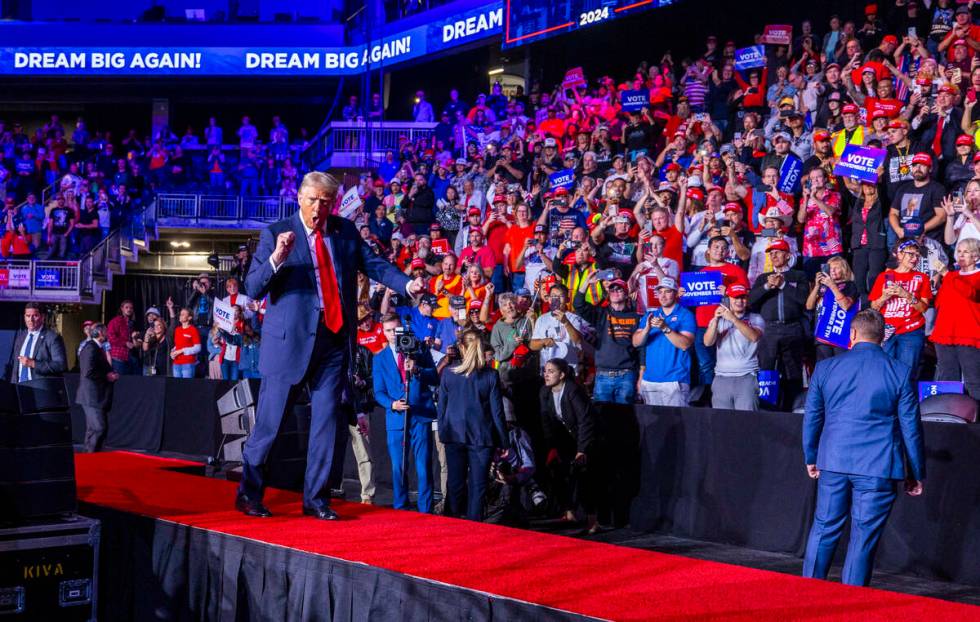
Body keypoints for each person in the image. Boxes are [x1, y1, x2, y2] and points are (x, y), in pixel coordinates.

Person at [236, 172, 423, 520]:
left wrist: (407, 284)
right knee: (270, 426)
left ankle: (317, 499)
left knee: (326, 423)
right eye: (313, 200)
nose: (318, 207)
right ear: (300, 197)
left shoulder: (344, 231)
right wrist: (278, 257)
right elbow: (252, 287)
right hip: (288, 346)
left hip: (334, 341)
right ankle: (249, 494)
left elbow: (376, 265)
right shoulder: (275, 233)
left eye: (326, 201)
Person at [802, 309, 925, 587]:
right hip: (878, 466)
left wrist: (811, 456)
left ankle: (806, 594)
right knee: (863, 536)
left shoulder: (826, 368)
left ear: (853, 334)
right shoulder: (900, 372)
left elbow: (812, 417)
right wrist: (915, 471)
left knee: (824, 528)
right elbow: (911, 428)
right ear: (882, 337)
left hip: (833, 460)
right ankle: (851, 604)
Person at [437, 329, 508, 521]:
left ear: (461, 347)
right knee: (478, 487)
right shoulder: (490, 375)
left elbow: (441, 409)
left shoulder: (448, 374)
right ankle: (474, 529)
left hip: (454, 435)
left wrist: (443, 433)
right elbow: (497, 413)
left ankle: (450, 524)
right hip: (480, 438)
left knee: (455, 484)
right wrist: (504, 443)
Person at [372, 313, 438, 513]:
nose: (393, 334)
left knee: (423, 466)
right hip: (396, 419)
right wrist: (392, 404)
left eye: (396, 329)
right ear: (383, 332)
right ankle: (400, 508)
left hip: (420, 415)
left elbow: (434, 377)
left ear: (403, 328)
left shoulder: (419, 348)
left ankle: (426, 510)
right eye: (389, 331)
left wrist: (417, 369)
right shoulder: (380, 358)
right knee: (398, 467)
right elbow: (378, 392)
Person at [748, 239, 810, 411]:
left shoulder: (799, 276)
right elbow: (751, 301)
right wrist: (768, 286)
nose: (773, 255)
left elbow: (804, 301)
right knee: (767, 371)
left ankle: (793, 409)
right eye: (771, 253)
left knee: (793, 372)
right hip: (770, 329)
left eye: (778, 252)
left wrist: (783, 285)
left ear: (788, 255)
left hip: (793, 327)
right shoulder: (762, 278)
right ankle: (767, 410)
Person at [539, 358, 598, 534]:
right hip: (563, 439)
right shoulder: (544, 392)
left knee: (584, 478)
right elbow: (546, 422)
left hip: (585, 439)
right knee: (557, 471)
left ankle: (592, 520)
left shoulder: (573, 390)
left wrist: (582, 450)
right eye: (545, 371)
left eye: (551, 371)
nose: (546, 375)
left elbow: (585, 422)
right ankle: (569, 512)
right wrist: (552, 447)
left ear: (562, 374)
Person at [869, 239, 933, 378]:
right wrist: (884, 297)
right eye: (911, 254)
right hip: (887, 329)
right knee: (884, 371)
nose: (915, 258)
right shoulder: (884, 277)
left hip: (911, 330)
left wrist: (906, 295)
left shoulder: (922, 278)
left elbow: (923, 308)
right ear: (899, 254)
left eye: (917, 255)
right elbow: (873, 306)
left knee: (907, 373)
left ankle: (906, 400)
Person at [573, 276, 640, 404]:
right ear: (608, 295)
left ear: (626, 295)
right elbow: (578, 305)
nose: (615, 292)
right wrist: (586, 283)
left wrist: (641, 373)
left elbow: (641, 348)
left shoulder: (635, 317)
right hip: (603, 375)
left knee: (625, 418)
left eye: (619, 290)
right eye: (612, 290)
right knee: (603, 418)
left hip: (627, 375)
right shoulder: (601, 314)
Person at [928, 237, 980, 399]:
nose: (961, 255)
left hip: (968, 334)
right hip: (944, 333)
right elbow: (940, 303)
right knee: (947, 380)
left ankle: (976, 420)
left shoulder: (976, 276)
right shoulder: (952, 275)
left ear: (976, 256)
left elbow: (970, 293)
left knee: (973, 380)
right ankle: (950, 417)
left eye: (966, 252)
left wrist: (946, 274)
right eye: (959, 251)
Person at [632, 277, 696, 406]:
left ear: (676, 293)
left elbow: (685, 344)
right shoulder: (650, 315)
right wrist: (646, 329)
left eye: (668, 291)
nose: (663, 296)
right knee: (653, 425)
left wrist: (665, 328)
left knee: (678, 424)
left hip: (675, 380)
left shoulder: (685, 315)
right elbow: (636, 343)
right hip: (650, 379)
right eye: (660, 292)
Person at [703, 284, 764, 411]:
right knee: (722, 423)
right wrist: (715, 320)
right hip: (721, 377)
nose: (739, 301)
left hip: (746, 377)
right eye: (735, 298)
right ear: (728, 299)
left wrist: (733, 319)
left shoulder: (756, 318)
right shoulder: (719, 319)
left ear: (747, 299)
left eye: (743, 298)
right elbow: (708, 342)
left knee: (747, 422)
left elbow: (754, 337)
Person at [77, 323, 119, 453]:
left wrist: (110, 373)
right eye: (106, 331)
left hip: (96, 396)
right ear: (100, 333)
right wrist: (107, 376)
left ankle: (89, 458)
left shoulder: (97, 348)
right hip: (91, 395)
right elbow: (88, 372)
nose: (108, 334)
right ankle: (91, 456)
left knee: (93, 429)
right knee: (99, 428)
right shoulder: (91, 348)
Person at [10, 302, 67, 383]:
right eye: (28, 316)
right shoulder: (20, 337)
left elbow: (60, 365)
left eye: (35, 316)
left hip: (41, 389)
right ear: (24, 317)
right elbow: (16, 367)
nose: (31, 319)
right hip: (20, 387)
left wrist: (33, 364)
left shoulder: (52, 337)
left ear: (42, 317)